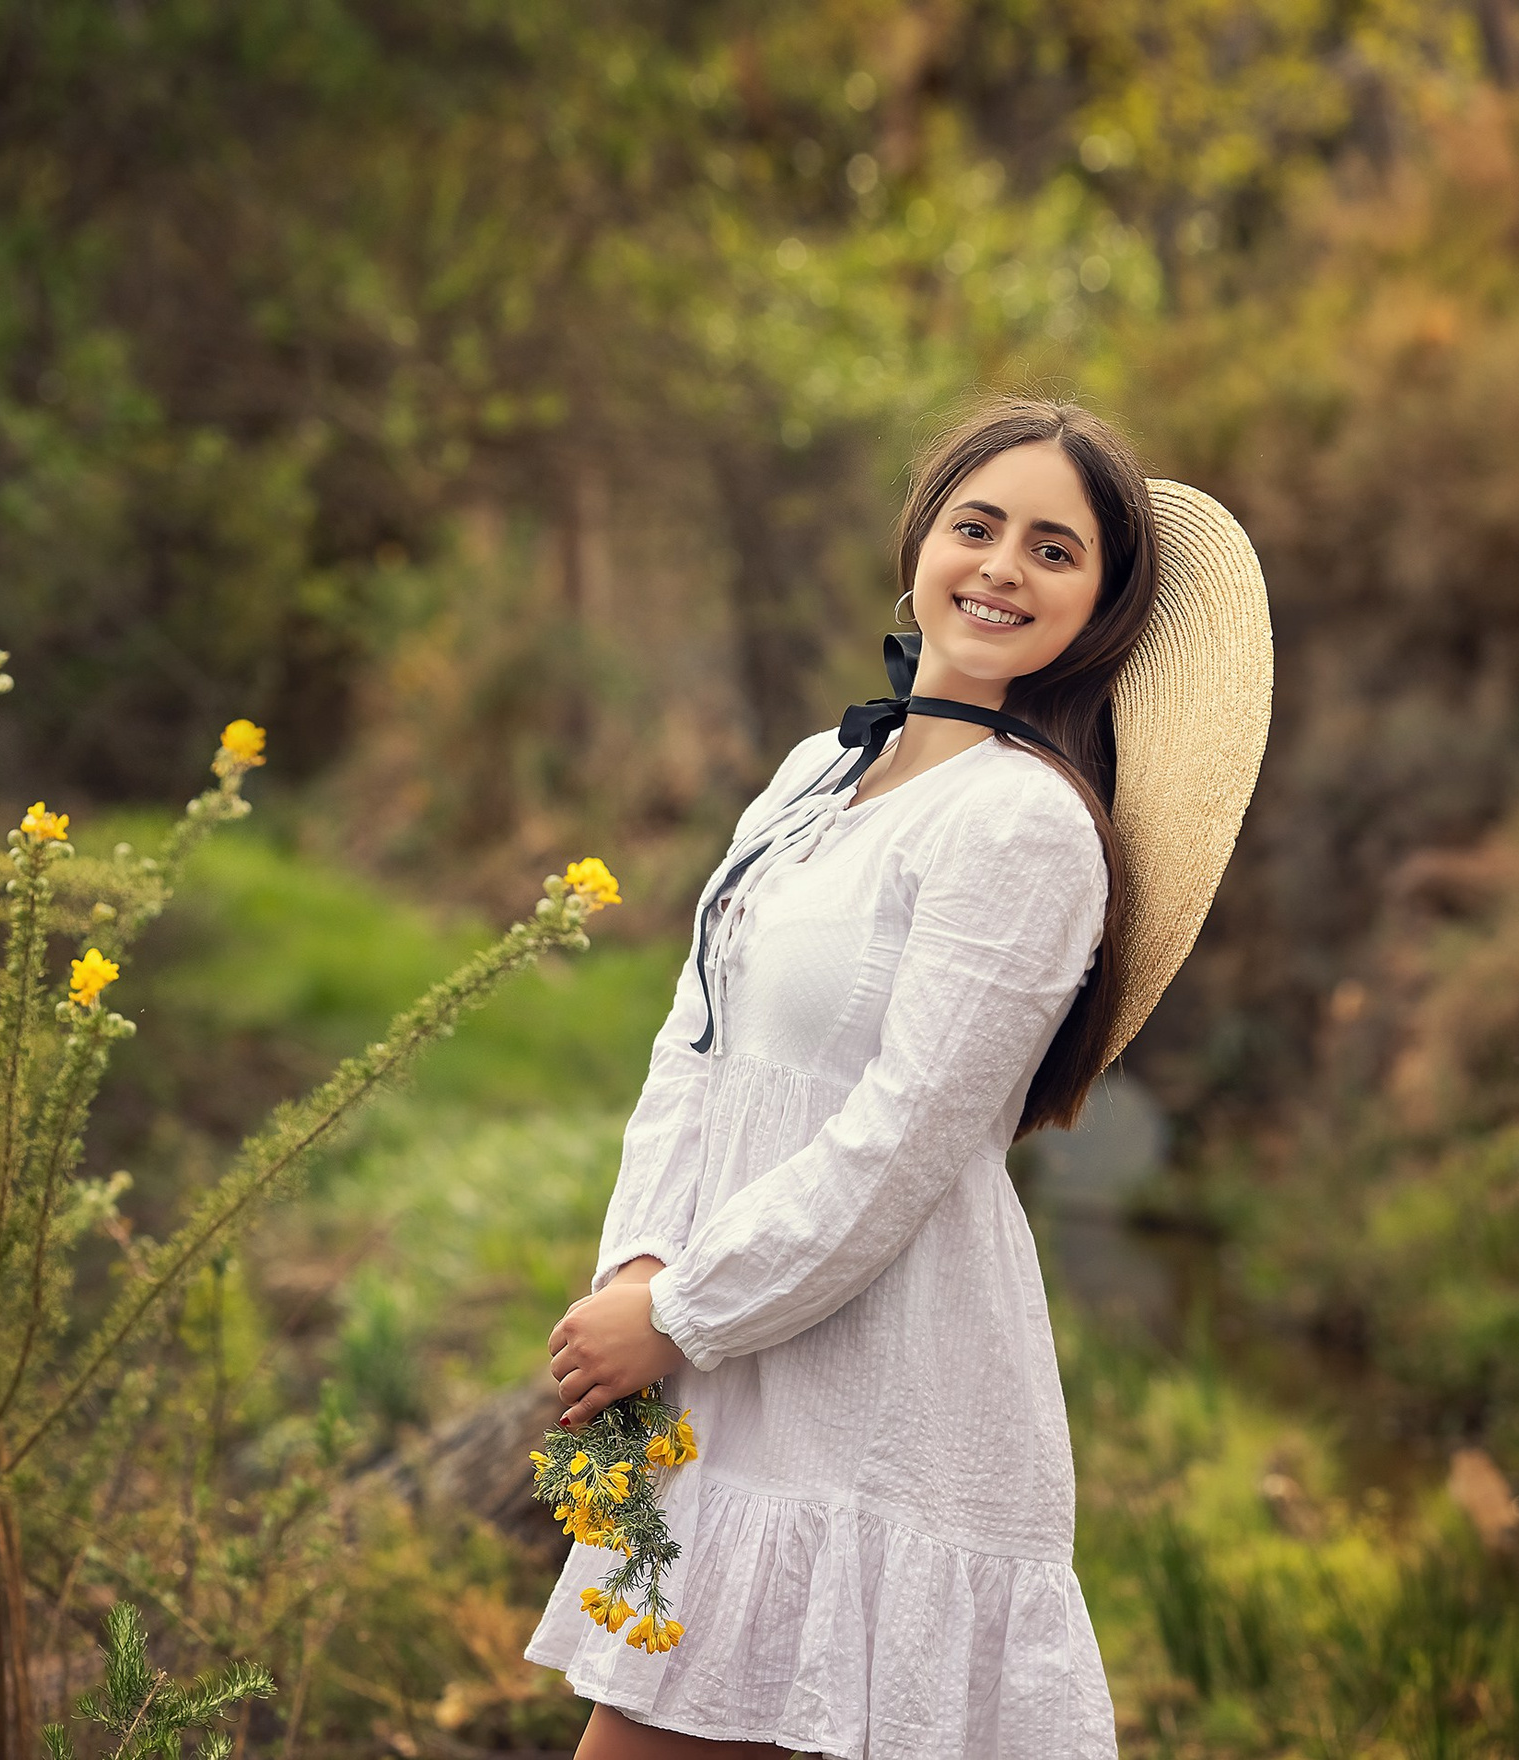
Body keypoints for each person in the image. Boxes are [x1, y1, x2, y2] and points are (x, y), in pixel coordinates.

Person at [526, 395, 1272, 1760]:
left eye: (1055, 550)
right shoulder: (818, 773)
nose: (1001, 568)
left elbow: (906, 1138)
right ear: (919, 543)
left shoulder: (1027, 823)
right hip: (725, 1348)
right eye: (976, 526)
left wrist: (686, 1312)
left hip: (880, 1383)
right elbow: (693, 1043)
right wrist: (637, 1262)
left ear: (1100, 606)